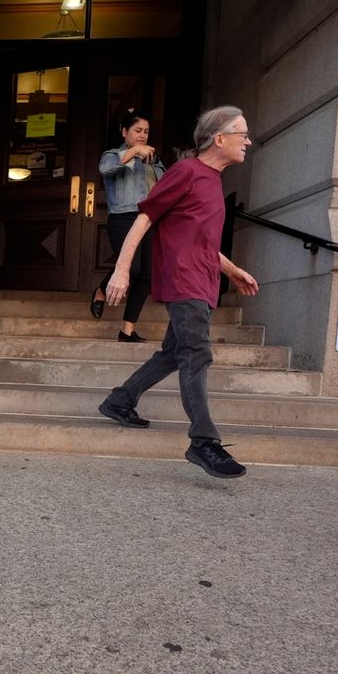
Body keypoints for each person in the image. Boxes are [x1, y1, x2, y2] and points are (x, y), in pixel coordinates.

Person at [96, 105, 260, 479]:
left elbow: (201, 242)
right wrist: (121, 270)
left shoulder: (212, 182)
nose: (248, 141)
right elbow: (145, 216)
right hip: (184, 281)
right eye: (242, 134)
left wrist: (233, 271)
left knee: (175, 352)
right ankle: (203, 441)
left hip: (203, 280)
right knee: (196, 354)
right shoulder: (186, 172)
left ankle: (120, 400)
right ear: (219, 138)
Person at [90, 110, 165, 343]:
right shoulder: (112, 155)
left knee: (146, 274)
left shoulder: (155, 161)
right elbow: (106, 170)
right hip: (123, 218)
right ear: (125, 132)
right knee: (131, 268)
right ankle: (101, 291)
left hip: (150, 220)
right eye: (137, 131)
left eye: (146, 132)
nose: (142, 135)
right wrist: (133, 152)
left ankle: (127, 329)